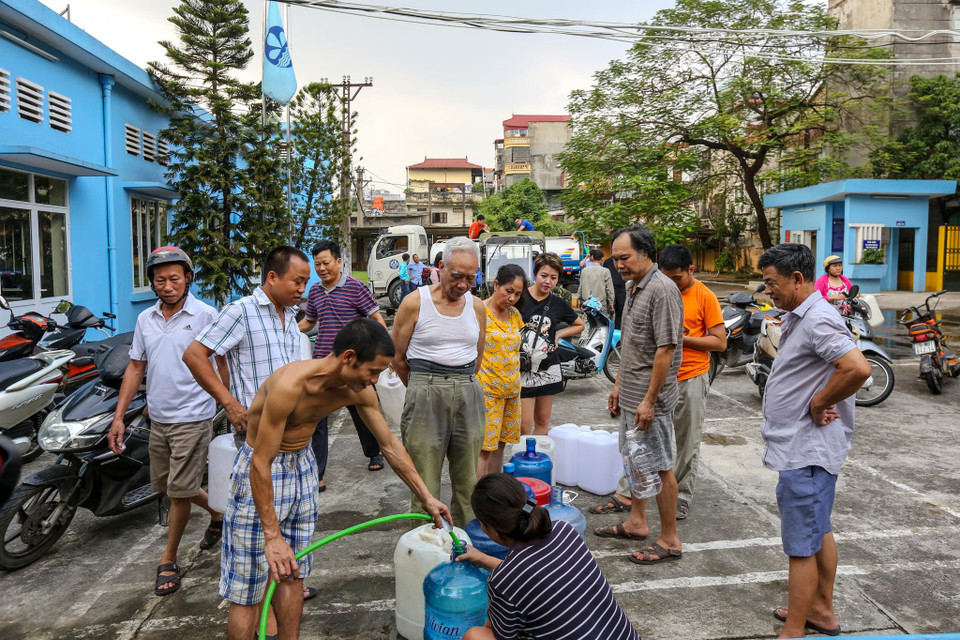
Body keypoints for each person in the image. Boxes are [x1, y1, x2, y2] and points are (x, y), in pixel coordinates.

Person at [218, 319, 453, 640]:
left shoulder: (358, 390)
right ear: (348, 357)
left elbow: (389, 445)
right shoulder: (290, 386)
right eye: (372, 371)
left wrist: (426, 495)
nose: (375, 380)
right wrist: (272, 537)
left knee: (293, 574)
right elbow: (260, 461)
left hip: (303, 467)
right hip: (262, 472)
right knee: (247, 588)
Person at [182, 246, 315, 616]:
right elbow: (195, 354)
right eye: (297, 280)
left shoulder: (292, 317)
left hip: (297, 450)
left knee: (291, 552)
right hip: (258, 447)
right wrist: (230, 403)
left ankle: (284, 593)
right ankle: (257, 600)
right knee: (251, 564)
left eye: (306, 282)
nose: (302, 288)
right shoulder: (241, 311)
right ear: (272, 277)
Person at [757, 244, 870, 639]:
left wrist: (820, 400)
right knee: (818, 528)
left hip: (807, 449)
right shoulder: (800, 315)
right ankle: (821, 608)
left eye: (772, 283)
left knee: (800, 544)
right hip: (806, 448)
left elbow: (857, 368)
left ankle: (794, 629)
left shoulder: (819, 318)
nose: (768, 290)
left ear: (797, 279)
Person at [106, 246, 223, 597]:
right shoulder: (146, 319)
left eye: (175, 278)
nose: (168, 286)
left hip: (194, 415)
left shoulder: (205, 315)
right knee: (168, 485)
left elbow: (222, 363)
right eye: (160, 280)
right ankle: (220, 514)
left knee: (178, 492)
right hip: (158, 416)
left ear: (188, 277)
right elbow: (136, 367)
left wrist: (231, 404)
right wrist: (118, 418)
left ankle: (168, 557)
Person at [595, 225, 684, 566]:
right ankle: (637, 521)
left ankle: (670, 538)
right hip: (631, 393)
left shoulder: (662, 289)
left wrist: (649, 399)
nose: (618, 264)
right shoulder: (634, 287)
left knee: (660, 466)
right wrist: (618, 384)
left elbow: (665, 350)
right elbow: (632, 345)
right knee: (635, 460)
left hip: (652, 400)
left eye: (625, 257)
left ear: (647, 253)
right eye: (615, 259)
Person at [458, 474, 641, 640]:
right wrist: (482, 558)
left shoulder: (504, 582)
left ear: (486, 527)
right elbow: (535, 577)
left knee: (475, 635)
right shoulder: (564, 530)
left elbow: (502, 633)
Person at [392, 237, 487, 526]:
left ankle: (468, 545)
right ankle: (425, 548)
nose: (462, 284)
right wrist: (423, 387)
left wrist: (460, 385)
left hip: (467, 389)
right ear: (441, 267)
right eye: (457, 275)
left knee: (468, 479)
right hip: (425, 389)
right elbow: (397, 357)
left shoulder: (478, 306)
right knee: (424, 478)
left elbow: (478, 356)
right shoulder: (414, 302)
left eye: (470, 278)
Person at [299, 239, 388, 484]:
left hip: (354, 366)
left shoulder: (356, 288)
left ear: (339, 262)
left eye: (326, 263)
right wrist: (286, 331)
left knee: (364, 413)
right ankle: (317, 474)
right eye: (317, 264)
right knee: (317, 420)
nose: (322, 268)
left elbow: (376, 319)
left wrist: (379, 357)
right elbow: (309, 322)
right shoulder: (315, 291)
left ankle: (374, 452)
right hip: (325, 364)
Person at [658, 244, 726, 519]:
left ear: (691, 270)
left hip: (691, 377)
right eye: (667, 277)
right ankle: (638, 491)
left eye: (678, 278)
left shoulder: (704, 296)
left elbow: (719, 342)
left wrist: (681, 338)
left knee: (687, 442)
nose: (672, 284)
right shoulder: (660, 292)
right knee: (648, 438)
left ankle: (681, 496)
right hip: (659, 378)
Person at [518, 252, 584, 436]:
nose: (548, 281)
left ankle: (539, 460)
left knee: (543, 420)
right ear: (535, 274)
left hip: (549, 368)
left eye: (553, 278)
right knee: (524, 425)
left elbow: (579, 325)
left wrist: (559, 334)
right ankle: (525, 461)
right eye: (544, 276)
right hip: (524, 369)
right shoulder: (519, 298)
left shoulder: (558, 303)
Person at [476, 264, 526, 479]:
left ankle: (494, 492)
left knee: (500, 445)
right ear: (496, 284)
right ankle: (477, 497)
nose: (512, 298)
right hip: (487, 392)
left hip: (512, 392)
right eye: (509, 291)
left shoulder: (515, 314)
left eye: (517, 294)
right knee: (485, 448)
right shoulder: (480, 311)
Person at [577, 248, 615, 316]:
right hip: (601, 304)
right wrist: (611, 303)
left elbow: (581, 287)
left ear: (592, 258)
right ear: (602, 259)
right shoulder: (605, 271)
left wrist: (579, 301)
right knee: (601, 324)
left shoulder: (585, 271)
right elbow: (609, 289)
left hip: (587, 303)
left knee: (588, 322)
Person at [603, 251, 627, 329]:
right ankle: (617, 329)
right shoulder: (609, 261)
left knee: (616, 312)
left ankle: (616, 329)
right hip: (618, 289)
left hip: (617, 289)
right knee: (619, 312)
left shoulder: (607, 261)